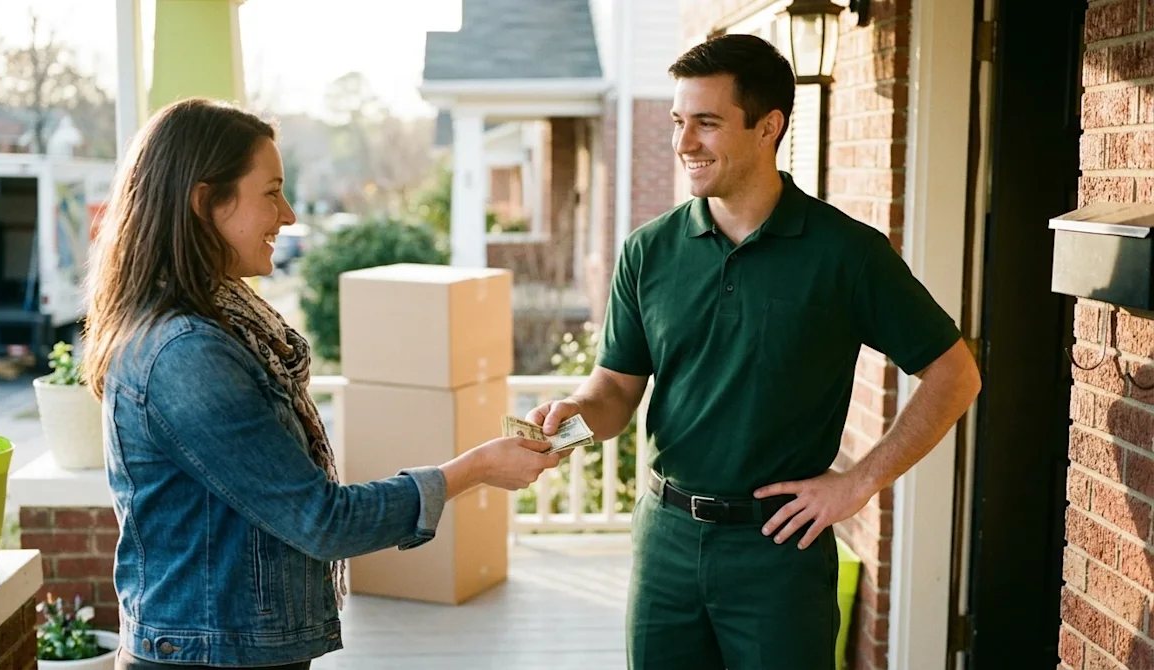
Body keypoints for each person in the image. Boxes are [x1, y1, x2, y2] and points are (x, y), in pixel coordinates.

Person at [527, 34, 983, 670]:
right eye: (678, 122)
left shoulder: (846, 253)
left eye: (706, 124)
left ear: (769, 127)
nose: (684, 143)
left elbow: (954, 374)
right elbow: (614, 394)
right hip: (666, 539)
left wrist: (857, 484)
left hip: (779, 550)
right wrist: (563, 427)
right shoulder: (647, 251)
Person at [81, 98, 562, 670]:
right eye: (271, 192)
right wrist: (476, 469)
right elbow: (322, 520)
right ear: (205, 202)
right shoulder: (187, 352)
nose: (287, 215)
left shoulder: (222, 322)